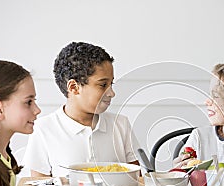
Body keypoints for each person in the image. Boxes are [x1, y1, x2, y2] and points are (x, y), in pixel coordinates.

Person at [23, 42, 139, 177]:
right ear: (73, 87)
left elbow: (136, 178)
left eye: (111, 84)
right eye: (103, 85)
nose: (112, 93)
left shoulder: (121, 124)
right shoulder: (44, 129)